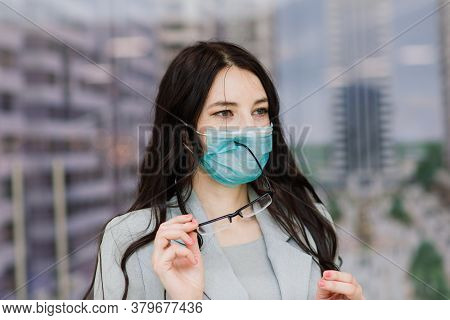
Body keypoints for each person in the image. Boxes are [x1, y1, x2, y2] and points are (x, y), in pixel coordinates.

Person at [83, 40, 364, 300]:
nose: (249, 127)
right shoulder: (129, 240)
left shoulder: (310, 221)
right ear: (185, 136)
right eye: (225, 113)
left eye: (259, 111)